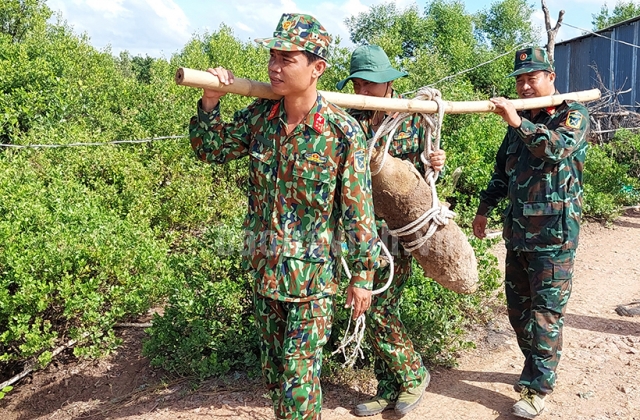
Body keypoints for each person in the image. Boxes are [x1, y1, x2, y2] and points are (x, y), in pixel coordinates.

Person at [189, 13, 380, 420]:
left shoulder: (341, 132)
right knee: (276, 380)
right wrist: (210, 102)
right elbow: (211, 150)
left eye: (287, 59)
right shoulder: (261, 117)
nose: (274, 67)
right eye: (272, 57)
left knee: (299, 382)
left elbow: (358, 210)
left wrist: (363, 276)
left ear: (317, 68)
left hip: (313, 284)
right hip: (265, 274)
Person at [472, 46, 589, 419]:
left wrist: (517, 123)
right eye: (519, 80)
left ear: (550, 78)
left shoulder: (572, 115)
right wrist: (483, 209)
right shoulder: (518, 122)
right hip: (518, 235)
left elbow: (554, 149)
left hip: (554, 238)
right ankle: (534, 365)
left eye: (531, 78)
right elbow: (501, 173)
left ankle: (538, 388)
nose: (523, 86)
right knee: (518, 311)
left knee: (546, 314)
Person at [335, 44, 446, 417]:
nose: (363, 91)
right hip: (357, 230)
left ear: (388, 84)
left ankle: (413, 373)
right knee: (363, 308)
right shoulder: (349, 118)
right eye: (359, 84)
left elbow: (420, 175)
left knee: (379, 306)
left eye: (371, 84)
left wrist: (434, 161)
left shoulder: (413, 117)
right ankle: (388, 387)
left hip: (395, 230)